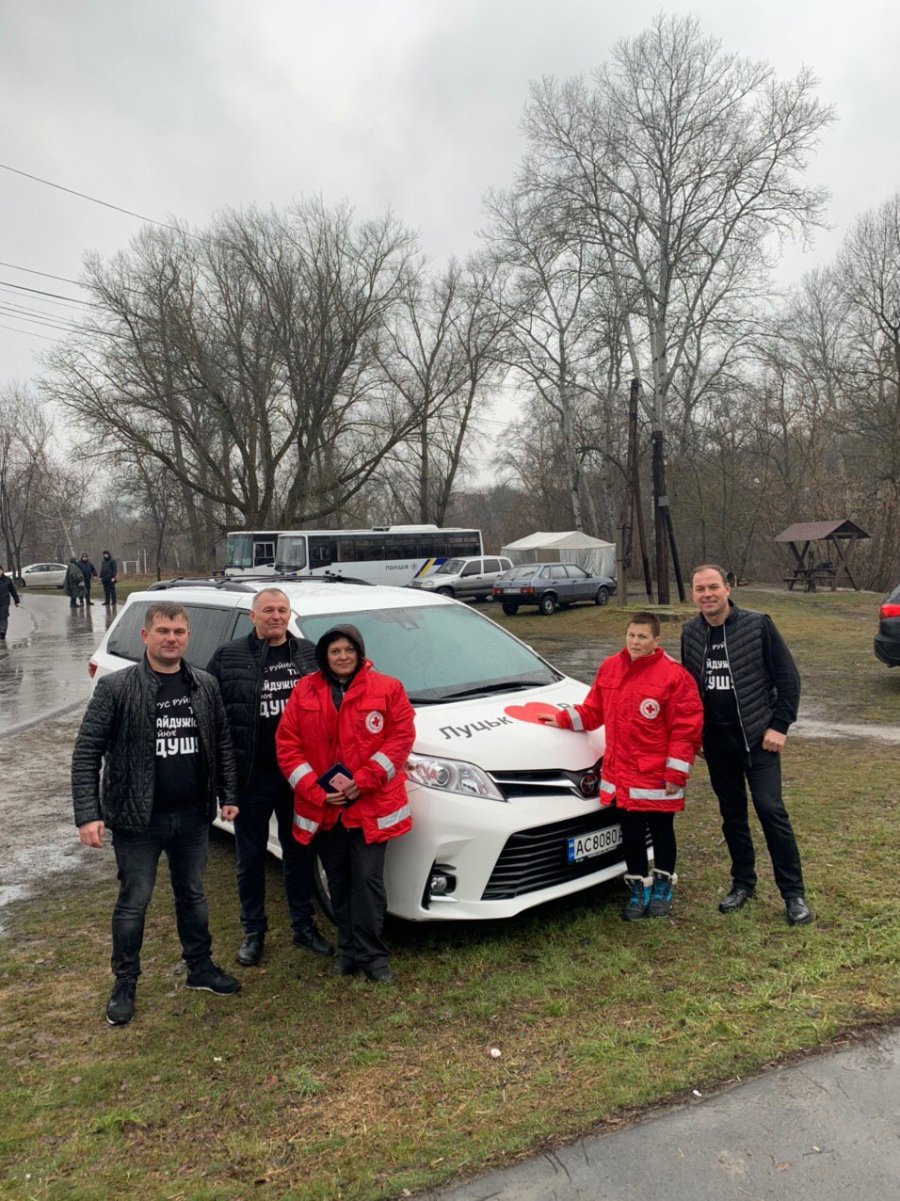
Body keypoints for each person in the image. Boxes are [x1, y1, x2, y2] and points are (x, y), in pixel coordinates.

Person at [72, 600, 241, 1026]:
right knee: (134, 901)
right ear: (145, 636)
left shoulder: (204, 685)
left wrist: (228, 793)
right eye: (163, 631)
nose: (171, 639)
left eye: (179, 632)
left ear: (188, 637)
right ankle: (125, 982)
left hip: (192, 817)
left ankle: (199, 967)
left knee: (193, 895)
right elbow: (87, 752)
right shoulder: (117, 688)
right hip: (137, 820)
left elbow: (221, 743)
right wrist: (88, 813)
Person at [538, 613, 703, 919]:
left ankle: (663, 885)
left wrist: (676, 772)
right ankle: (638, 888)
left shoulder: (674, 676)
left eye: (642, 637)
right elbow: (593, 711)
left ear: (656, 640)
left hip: (657, 776)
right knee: (632, 834)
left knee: (662, 831)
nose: (635, 642)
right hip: (622, 774)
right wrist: (562, 719)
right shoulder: (610, 667)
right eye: (631, 635)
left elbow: (686, 729)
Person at [276, 625, 416, 984]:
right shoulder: (304, 690)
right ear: (324, 656)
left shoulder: (388, 688)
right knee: (337, 881)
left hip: (371, 806)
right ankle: (349, 949)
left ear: (360, 653)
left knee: (367, 881)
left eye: (348, 650)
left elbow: (401, 738)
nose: (342, 657)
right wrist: (315, 790)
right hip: (327, 808)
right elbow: (288, 745)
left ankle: (373, 956)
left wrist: (365, 779)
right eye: (335, 651)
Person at [681, 565, 814, 926]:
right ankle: (743, 883)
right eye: (700, 589)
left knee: (771, 810)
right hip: (717, 743)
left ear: (728, 588)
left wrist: (779, 726)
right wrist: (694, 733)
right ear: (693, 594)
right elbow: (689, 689)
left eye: (713, 587)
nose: (707, 594)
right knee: (732, 815)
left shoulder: (758, 625)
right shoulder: (690, 632)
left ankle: (793, 894)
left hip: (758, 739)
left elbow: (788, 678)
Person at [208, 588, 331, 967]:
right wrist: (224, 784)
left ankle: (303, 926)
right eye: (267, 610)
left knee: (298, 854)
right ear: (252, 616)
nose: (275, 616)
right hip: (252, 779)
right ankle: (253, 931)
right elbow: (213, 721)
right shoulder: (228, 657)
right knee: (250, 858)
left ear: (289, 614)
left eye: (282, 610)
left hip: (300, 780)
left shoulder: (309, 654)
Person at [0, 565, 20, 640]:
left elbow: (13, 590)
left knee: (3, 616)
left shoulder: (7, 580)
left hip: (4, 602)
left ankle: (2, 631)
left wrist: (16, 601)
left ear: (2, 571)